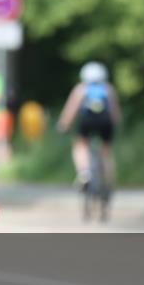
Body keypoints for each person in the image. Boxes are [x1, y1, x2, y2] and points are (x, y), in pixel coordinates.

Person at [56, 61, 122, 191]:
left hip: (87, 121)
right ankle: (108, 182)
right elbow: (115, 113)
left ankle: (84, 173)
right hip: (105, 122)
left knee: (80, 145)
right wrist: (115, 124)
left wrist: (63, 125)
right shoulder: (108, 89)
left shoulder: (81, 89)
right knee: (106, 150)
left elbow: (71, 110)